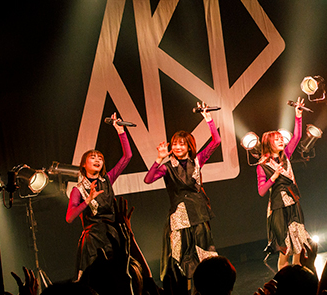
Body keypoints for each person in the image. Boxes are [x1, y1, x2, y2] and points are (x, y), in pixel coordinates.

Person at [144, 108, 221, 283]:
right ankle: (184, 290)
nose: (178, 147)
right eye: (175, 144)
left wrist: (209, 119)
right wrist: (159, 159)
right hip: (180, 215)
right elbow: (148, 179)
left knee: (204, 251)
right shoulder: (167, 167)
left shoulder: (197, 160)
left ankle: (209, 286)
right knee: (182, 255)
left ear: (189, 146)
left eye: (182, 144)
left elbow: (216, 141)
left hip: (199, 212)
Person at [66, 114, 132, 279]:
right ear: (83, 164)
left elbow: (127, 157)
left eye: (100, 158)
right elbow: (69, 217)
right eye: (92, 157)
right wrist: (87, 201)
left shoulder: (107, 179)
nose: (97, 160)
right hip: (93, 241)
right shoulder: (78, 190)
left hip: (113, 236)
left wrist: (120, 131)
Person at [258, 98, 311, 270]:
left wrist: (298, 116)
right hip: (279, 209)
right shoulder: (262, 166)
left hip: (293, 203)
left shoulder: (286, 155)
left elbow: (297, 137)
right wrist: (274, 177)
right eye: (277, 139)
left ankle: (298, 275)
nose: (281, 141)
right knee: (285, 248)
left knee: (299, 243)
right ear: (268, 143)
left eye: (281, 139)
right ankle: (285, 279)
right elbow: (261, 191)